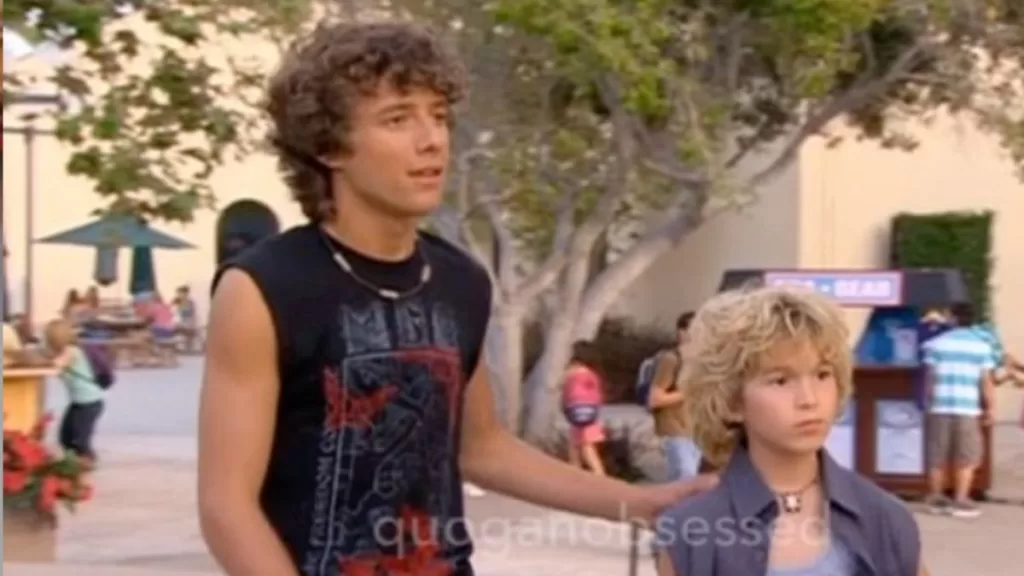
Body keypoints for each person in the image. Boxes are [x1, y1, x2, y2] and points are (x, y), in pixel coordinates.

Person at [197, 21, 713, 576]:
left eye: (439, 115)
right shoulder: (264, 288)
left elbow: (482, 448)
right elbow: (227, 507)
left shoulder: (459, 280)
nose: (432, 140)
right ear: (328, 146)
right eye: (398, 119)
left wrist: (642, 503)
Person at [656, 286, 926, 576]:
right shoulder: (690, 534)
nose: (809, 399)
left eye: (822, 374)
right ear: (732, 402)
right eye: (781, 381)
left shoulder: (885, 519)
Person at [920, 302, 997, 518]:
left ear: (952, 318)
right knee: (967, 456)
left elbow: (929, 379)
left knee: (937, 454)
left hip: (940, 406)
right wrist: (990, 407)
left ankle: (937, 499)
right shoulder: (982, 347)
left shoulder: (935, 345)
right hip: (967, 408)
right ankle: (960, 500)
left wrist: (927, 401)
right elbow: (986, 382)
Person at [648, 311, 701, 480]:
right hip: (675, 431)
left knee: (690, 482)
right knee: (685, 478)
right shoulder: (671, 360)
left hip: (696, 431)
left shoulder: (700, 360)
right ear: (682, 332)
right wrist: (688, 392)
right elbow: (655, 399)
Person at [45, 319, 105, 464]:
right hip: (78, 401)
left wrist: (44, 358)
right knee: (65, 437)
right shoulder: (64, 352)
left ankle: (88, 461)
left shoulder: (71, 351)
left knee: (80, 439)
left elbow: (56, 366)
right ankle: (73, 461)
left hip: (90, 402)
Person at [561, 340, 607, 476]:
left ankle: (592, 477)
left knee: (580, 447)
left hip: (575, 413)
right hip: (590, 414)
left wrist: (565, 407)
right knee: (585, 446)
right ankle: (597, 475)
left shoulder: (571, 372)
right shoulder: (593, 374)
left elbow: (566, 392)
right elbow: (598, 396)